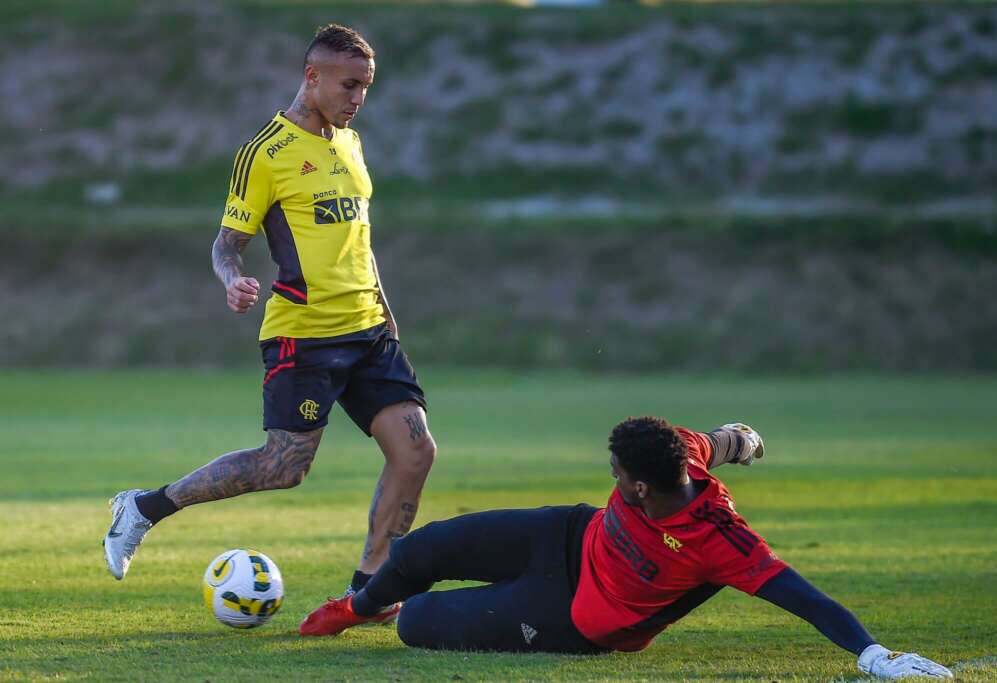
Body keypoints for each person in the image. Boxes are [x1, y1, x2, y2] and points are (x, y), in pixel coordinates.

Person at [103, 24, 437, 614]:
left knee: (415, 452)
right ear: (312, 77)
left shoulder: (351, 144)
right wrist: (233, 280)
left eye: (367, 86)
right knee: (284, 467)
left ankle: (371, 589)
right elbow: (226, 243)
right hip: (303, 334)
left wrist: (385, 310)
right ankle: (145, 507)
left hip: (369, 330)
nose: (358, 98)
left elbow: (361, 239)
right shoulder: (266, 153)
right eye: (349, 85)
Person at [299, 418, 952, 679]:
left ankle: (390, 612)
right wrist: (743, 441)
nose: (610, 474)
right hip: (565, 534)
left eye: (615, 472)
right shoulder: (674, 450)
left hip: (578, 615)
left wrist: (874, 654)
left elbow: (803, 596)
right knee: (417, 552)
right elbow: (718, 440)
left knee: (418, 622)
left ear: (641, 487)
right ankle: (359, 606)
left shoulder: (719, 539)